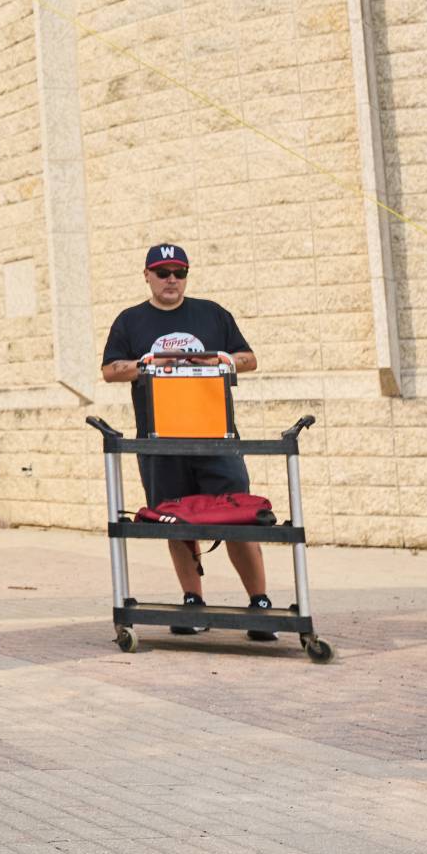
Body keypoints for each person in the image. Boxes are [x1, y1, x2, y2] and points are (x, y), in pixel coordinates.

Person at [99, 243, 273, 638]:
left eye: (180, 272)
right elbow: (110, 370)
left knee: (239, 517)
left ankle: (260, 603)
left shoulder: (212, 313)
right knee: (176, 520)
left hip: (216, 436)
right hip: (159, 440)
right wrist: (147, 364)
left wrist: (218, 360)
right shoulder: (130, 321)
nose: (172, 280)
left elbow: (249, 358)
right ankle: (193, 601)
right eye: (163, 273)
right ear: (147, 276)